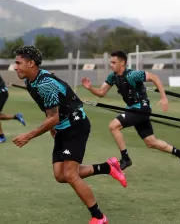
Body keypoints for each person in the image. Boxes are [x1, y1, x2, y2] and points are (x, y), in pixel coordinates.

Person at [11, 46, 127, 224]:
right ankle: (108, 167)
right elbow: (50, 110)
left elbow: (54, 116)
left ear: (31, 63)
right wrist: (50, 125)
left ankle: (99, 217)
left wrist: (29, 135)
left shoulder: (44, 84)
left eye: (18, 63)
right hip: (62, 127)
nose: (15, 66)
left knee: (71, 175)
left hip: (76, 125)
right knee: (60, 175)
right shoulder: (30, 81)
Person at [80, 51, 180, 172]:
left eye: (114, 62)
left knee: (113, 126)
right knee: (151, 142)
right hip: (133, 109)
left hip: (141, 109)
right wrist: (90, 88)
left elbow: (154, 77)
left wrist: (164, 97)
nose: (111, 65)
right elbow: (101, 93)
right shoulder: (113, 77)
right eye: (110, 62)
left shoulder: (132, 75)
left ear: (122, 63)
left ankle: (126, 159)